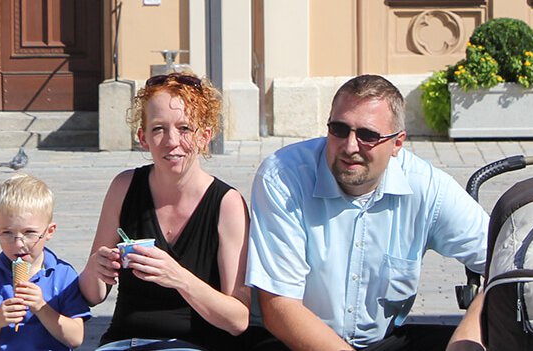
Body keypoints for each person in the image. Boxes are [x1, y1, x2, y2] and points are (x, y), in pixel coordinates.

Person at [245, 74, 490, 351]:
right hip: (292, 342)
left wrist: (467, 336)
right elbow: (279, 308)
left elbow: (506, 264)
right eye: (339, 129)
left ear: (397, 143)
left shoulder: (428, 186)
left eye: (367, 136)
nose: (350, 147)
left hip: (382, 342)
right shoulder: (284, 177)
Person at [78, 71, 254, 351]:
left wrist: (179, 277)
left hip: (191, 344)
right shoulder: (124, 187)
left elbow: (238, 319)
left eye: (185, 129)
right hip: (123, 342)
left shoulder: (227, 203)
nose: (172, 141)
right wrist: (94, 270)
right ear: (143, 137)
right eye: (158, 129)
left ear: (204, 136)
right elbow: (93, 295)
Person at [0, 174, 90, 351]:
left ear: (49, 231)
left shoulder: (63, 275)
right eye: (7, 233)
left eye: (29, 232)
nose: (18, 243)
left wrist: (41, 307)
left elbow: (75, 338)